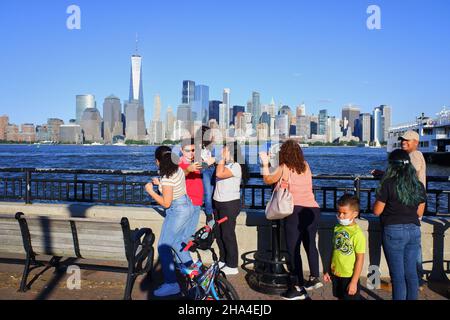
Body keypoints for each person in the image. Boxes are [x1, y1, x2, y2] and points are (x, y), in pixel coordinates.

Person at [260, 140, 322, 300]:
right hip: (313, 209)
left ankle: (298, 287)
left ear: (284, 154)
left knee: (293, 249)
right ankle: (315, 277)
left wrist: (265, 163)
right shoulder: (306, 165)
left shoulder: (284, 167)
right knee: (310, 244)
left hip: (295, 211)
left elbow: (268, 179)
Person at [371, 130, 427, 288]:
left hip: (402, 213)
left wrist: (385, 176)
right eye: (403, 139)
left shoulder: (414, 156)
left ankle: (418, 277)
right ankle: (416, 279)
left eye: (408, 140)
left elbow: (406, 177)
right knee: (409, 270)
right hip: (413, 212)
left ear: (416, 141)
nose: (404, 142)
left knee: (400, 274)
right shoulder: (412, 158)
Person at [145, 146, 195, 297]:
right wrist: (160, 183)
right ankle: (194, 272)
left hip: (177, 210)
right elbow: (174, 186)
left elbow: (166, 203)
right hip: (187, 206)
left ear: (157, 161)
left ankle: (171, 284)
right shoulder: (178, 169)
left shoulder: (166, 176)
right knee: (177, 242)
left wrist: (151, 191)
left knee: (163, 246)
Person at [213, 141, 249, 275]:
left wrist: (220, 159)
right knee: (219, 233)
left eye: (224, 150)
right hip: (219, 203)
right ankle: (223, 259)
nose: (222, 153)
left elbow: (219, 174)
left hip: (229, 204)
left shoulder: (236, 166)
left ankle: (232, 265)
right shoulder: (225, 164)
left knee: (228, 234)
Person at [323, 194, 366, 300]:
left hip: (349, 276)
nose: (340, 216)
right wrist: (328, 269)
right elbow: (334, 250)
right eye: (339, 212)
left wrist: (354, 282)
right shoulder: (337, 228)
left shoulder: (357, 234)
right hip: (336, 273)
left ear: (355, 214)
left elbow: (360, 259)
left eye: (344, 213)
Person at [179, 138, 203, 241]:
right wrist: (188, 169)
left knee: (189, 234)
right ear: (181, 150)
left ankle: (181, 255)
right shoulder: (178, 165)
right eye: (187, 151)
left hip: (197, 202)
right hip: (188, 202)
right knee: (184, 235)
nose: (190, 153)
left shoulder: (197, 163)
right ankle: (180, 256)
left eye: (193, 150)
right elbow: (179, 174)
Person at [196, 126, 217, 224]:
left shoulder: (211, 145)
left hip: (213, 169)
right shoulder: (197, 147)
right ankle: (209, 214)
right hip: (205, 170)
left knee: (213, 193)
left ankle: (213, 211)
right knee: (208, 193)